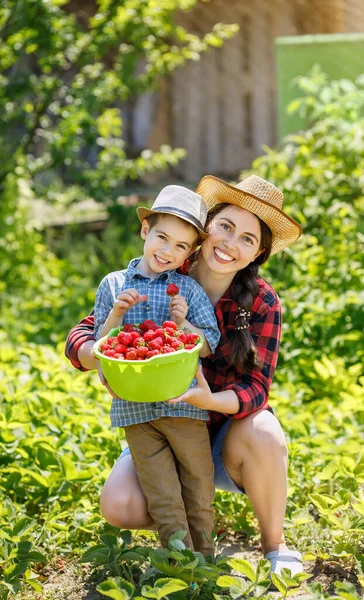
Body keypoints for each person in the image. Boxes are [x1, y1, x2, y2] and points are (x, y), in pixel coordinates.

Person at [65, 174, 304, 576]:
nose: (230, 243)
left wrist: (208, 400)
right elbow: (86, 331)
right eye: (225, 226)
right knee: (119, 504)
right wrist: (99, 356)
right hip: (156, 419)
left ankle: (274, 545)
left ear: (258, 253)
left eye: (247, 238)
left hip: (225, 435)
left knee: (264, 431)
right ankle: (184, 534)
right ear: (205, 227)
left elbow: (256, 388)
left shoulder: (260, 302)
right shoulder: (168, 265)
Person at [92, 184, 221, 556]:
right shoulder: (113, 285)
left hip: (184, 407)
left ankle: (206, 562)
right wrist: (117, 314)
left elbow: (208, 344)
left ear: (190, 252)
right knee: (162, 493)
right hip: (135, 410)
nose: (168, 251)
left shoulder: (189, 291)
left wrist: (183, 325)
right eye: (162, 238)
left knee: (198, 486)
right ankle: (181, 567)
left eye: (181, 246)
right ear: (145, 230)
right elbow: (103, 347)